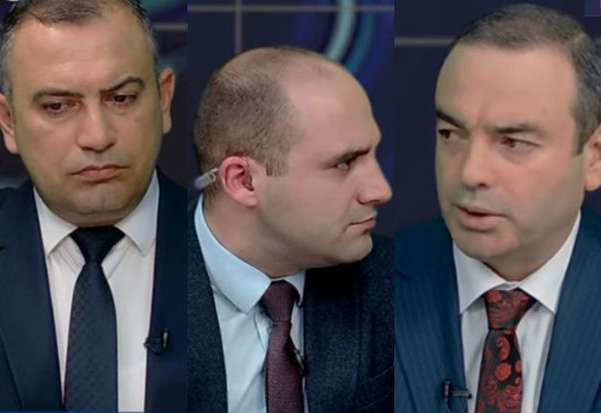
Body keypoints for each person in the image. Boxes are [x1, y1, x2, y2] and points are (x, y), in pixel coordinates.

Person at [394, 4, 601, 413]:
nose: (470, 173)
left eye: (513, 142)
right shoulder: (370, 291)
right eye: (451, 134)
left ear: (594, 157)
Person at [0, 0, 187, 411]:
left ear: (163, 100)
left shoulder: (228, 247)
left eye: (122, 98)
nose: (97, 136)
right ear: (8, 121)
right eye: (57, 106)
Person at [187, 46, 393, 413]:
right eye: (344, 163)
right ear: (244, 181)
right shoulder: (143, 291)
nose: (380, 190)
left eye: (372, 155)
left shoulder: (397, 285)